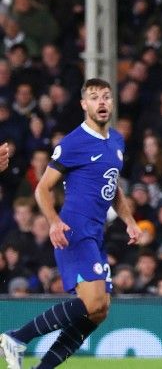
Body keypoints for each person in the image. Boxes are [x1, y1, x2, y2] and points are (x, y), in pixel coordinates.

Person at [1, 78, 142, 369]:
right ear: (83, 105)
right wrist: (53, 222)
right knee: (92, 303)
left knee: (99, 310)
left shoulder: (116, 140)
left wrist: (129, 220)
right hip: (74, 230)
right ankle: (17, 337)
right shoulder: (73, 142)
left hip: (96, 233)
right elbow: (42, 188)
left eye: (106, 96)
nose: (101, 102)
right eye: (94, 97)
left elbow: (113, 186)